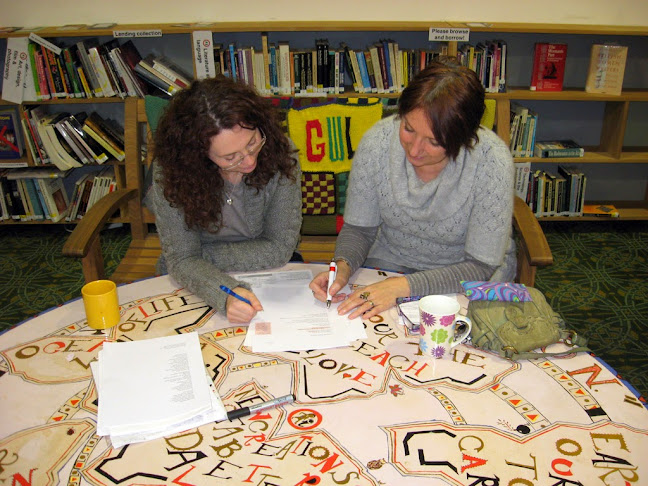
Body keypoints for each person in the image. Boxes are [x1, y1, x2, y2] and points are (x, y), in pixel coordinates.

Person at [310, 59, 516, 320]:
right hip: (387, 266)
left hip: (464, 280)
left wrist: (401, 288)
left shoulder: (492, 160)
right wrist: (342, 266)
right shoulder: (377, 142)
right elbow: (360, 230)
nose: (414, 149)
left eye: (434, 141)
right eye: (408, 128)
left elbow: (480, 266)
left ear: (463, 138)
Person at [146, 76, 302, 324]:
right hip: (199, 283)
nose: (250, 161)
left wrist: (195, 259)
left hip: (265, 271)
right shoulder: (171, 171)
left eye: (252, 143)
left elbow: (280, 248)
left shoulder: (281, 154)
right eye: (231, 158)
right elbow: (181, 259)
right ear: (198, 155)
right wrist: (223, 292)